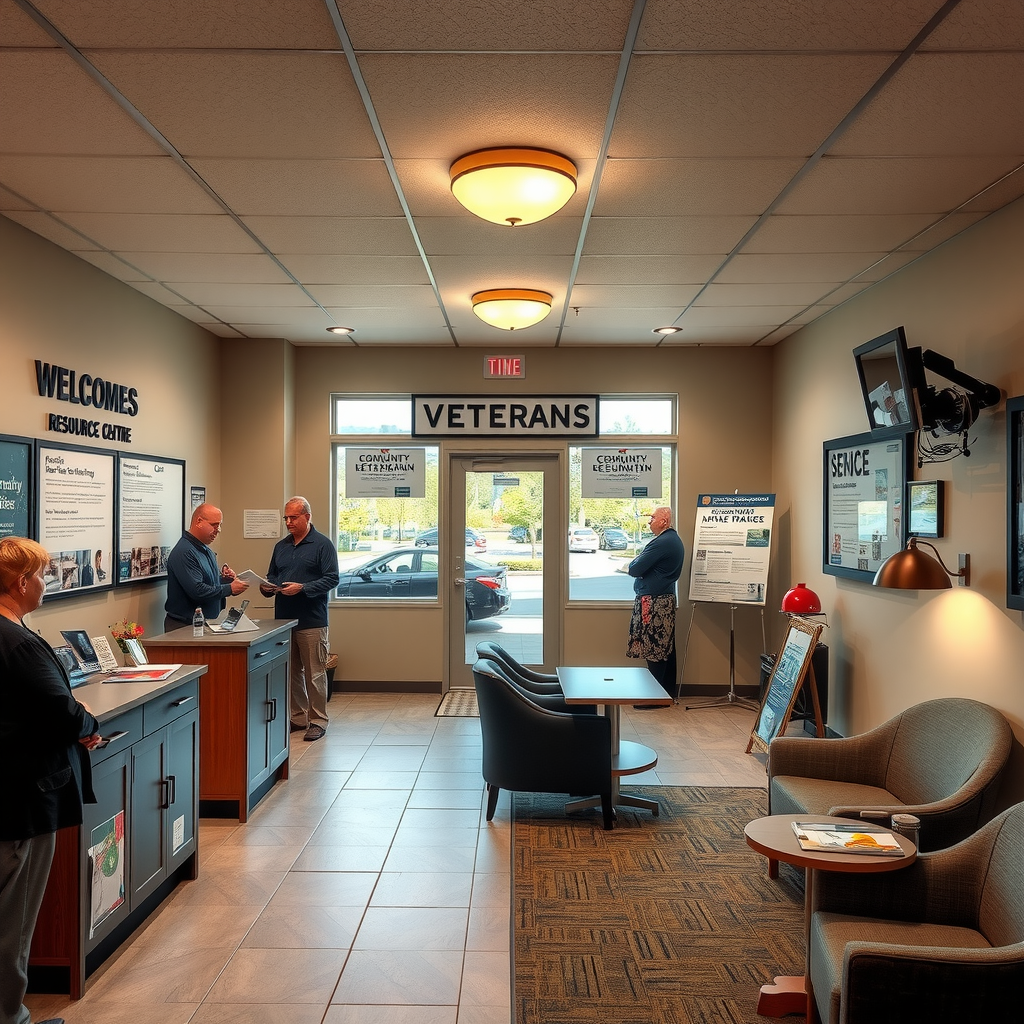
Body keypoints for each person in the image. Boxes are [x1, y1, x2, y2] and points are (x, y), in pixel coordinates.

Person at [0, 536, 103, 1024]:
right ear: (21, 583)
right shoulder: (17, 643)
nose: (46, 582)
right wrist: (88, 725)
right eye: (41, 574)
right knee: (13, 922)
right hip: (22, 798)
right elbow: (61, 713)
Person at [260, 497, 339, 742]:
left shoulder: (322, 545)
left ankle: (318, 720)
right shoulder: (281, 546)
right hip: (283, 619)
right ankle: (298, 717)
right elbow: (273, 574)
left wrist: (303, 588)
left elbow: (332, 579)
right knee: (292, 671)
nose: (288, 522)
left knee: (314, 673)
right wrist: (267, 587)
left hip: (312, 620)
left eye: (293, 517)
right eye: (286, 517)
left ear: (307, 516)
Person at [626, 506, 685, 702]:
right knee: (666, 648)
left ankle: (653, 697)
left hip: (654, 602)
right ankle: (665, 693)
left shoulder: (662, 542)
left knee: (654, 647)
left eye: (652, 517)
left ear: (664, 521)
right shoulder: (673, 540)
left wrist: (639, 565)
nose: (649, 521)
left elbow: (634, 568)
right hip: (664, 599)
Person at [164, 503, 248, 632]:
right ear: (199, 521)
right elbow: (198, 590)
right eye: (214, 525)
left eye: (219, 525)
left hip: (206, 623)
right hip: (185, 626)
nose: (218, 530)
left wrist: (224, 580)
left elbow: (207, 582)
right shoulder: (185, 552)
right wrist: (229, 589)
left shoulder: (205, 550)